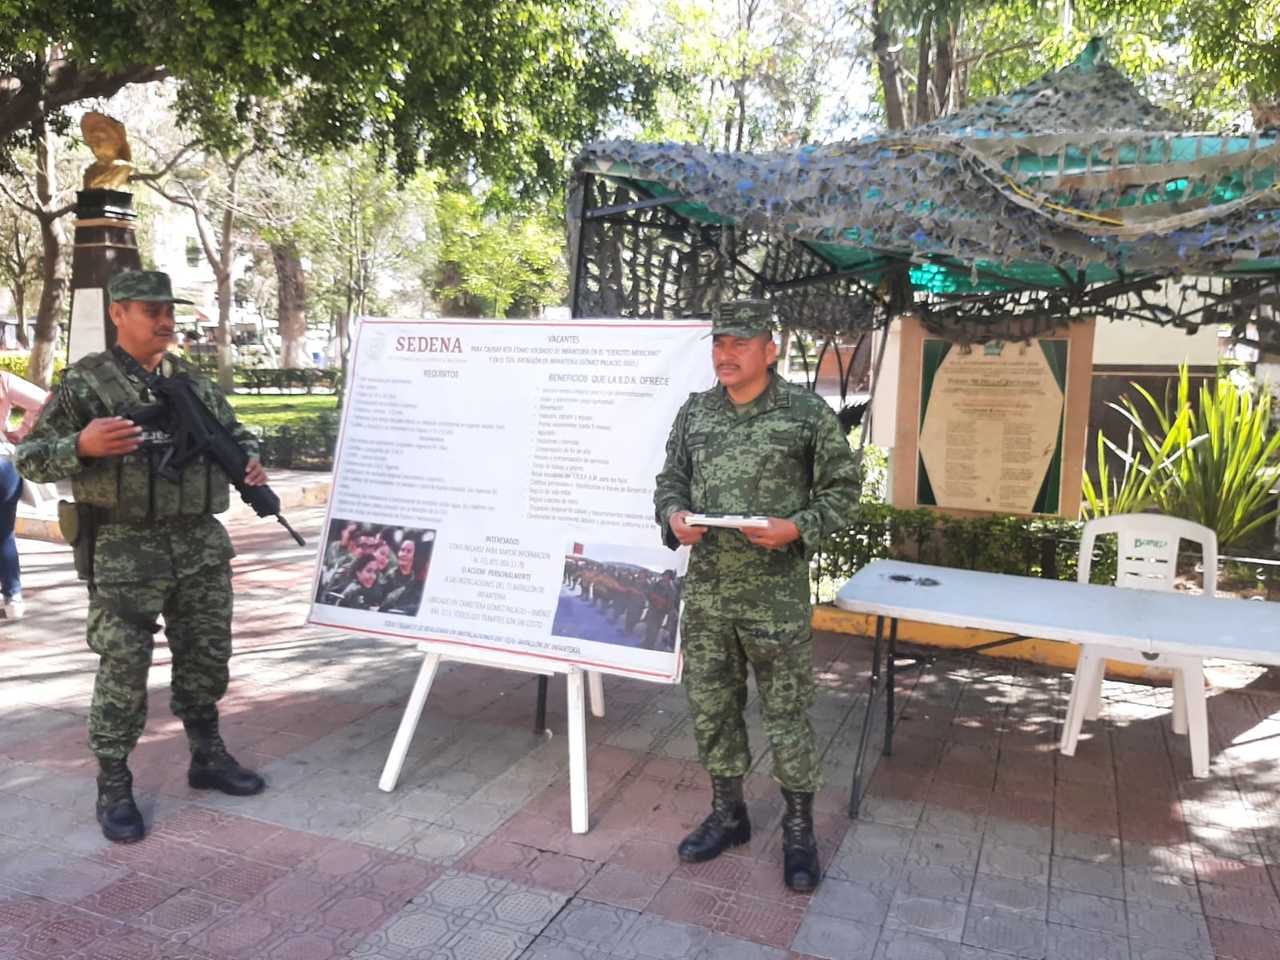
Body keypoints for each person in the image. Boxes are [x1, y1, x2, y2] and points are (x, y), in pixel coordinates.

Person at [15, 270, 268, 844]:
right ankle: (114, 782)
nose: (165, 320)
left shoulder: (192, 381)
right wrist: (80, 446)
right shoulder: (85, 384)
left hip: (199, 545)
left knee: (207, 655)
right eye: (151, 310)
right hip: (125, 551)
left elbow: (236, 433)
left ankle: (207, 754)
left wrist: (250, 458)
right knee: (124, 669)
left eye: (169, 310)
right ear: (118, 313)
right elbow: (30, 457)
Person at [653, 299, 860, 892]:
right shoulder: (696, 413)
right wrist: (674, 516)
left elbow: (844, 492)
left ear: (770, 350)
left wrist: (797, 527)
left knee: (787, 714)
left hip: (775, 597)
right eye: (720, 343)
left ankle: (798, 830)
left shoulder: (805, 414)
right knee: (713, 707)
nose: (726, 354)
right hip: (710, 595)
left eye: (740, 343)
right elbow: (670, 480)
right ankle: (729, 815)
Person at [0, 370, 49, 619]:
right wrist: (21, 433)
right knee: (4, 535)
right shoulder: (3, 379)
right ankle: (13, 598)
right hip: (3, 464)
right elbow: (47, 402)